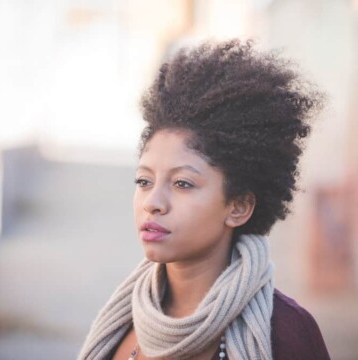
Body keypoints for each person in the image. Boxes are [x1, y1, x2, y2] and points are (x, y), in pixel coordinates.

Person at [78, 39, 330, 360]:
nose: (153, 202)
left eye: (182, 183)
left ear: (238, 207)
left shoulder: (287, 334)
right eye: (144, 181)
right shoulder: (121, 323)